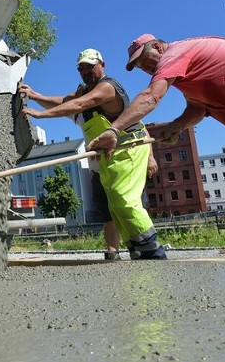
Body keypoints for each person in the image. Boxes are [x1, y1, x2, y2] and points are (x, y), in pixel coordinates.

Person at [87, 34, 225, 247]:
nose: (144, 66)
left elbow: (151, 96)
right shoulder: (188, 69)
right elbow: (198, 108)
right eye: (140, 65)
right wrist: (177, 125)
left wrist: (114, 130)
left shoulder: (175, 55)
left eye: (144, 59)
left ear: (158, 47)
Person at [20, 48, 165, 259]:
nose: (86, 72)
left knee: (124, 199)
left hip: (128, 149)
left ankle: (152, 249)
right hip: (108, 157)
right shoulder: (84, 91)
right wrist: (35, 96)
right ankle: (136, 247)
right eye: (81, 69)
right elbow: (66, 101)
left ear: (102, 65)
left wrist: (41, 115)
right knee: (113, 206)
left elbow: (80, 103)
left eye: (90, 67)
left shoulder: (108, 88)